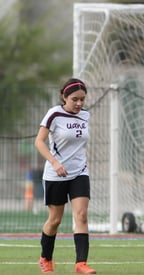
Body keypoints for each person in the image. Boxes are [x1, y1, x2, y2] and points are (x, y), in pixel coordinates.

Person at [34, 78, 96, 274]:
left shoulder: (86, 115)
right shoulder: (54, 114)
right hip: (55, 174)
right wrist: (55, 162)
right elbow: (39, 142)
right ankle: (46, 258)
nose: (79, 103)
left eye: (82, 99)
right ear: (64, 97)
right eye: (74, 99)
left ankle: (81, 264)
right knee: (55, 220)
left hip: (79, 172)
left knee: (81, 215)